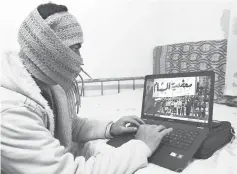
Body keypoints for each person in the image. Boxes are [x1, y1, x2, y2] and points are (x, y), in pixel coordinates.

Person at [1, 3, 173, 174]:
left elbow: (69, 126)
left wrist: (110, 128)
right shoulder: (12, 113)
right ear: (49, 50)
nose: (80, 60)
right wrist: (141, 146)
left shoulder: (47, 85)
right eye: (75, 49)